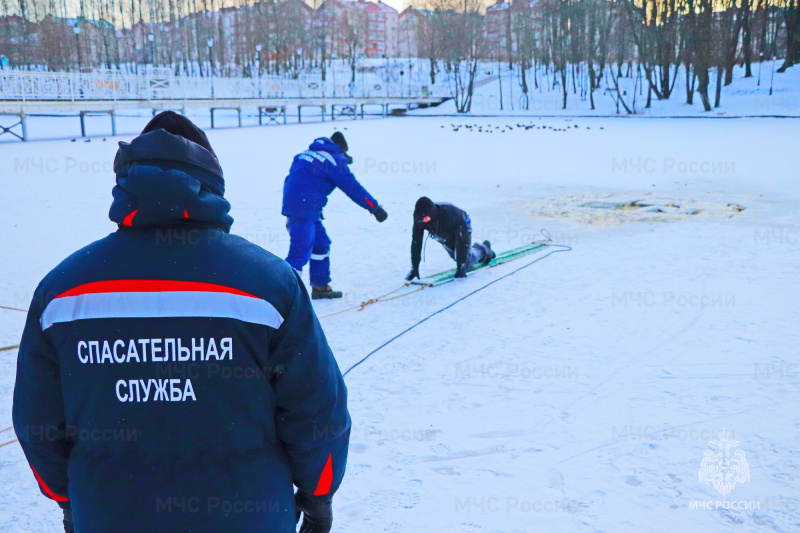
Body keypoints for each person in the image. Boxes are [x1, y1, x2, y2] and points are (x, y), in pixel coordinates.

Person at [12, 111, 350, 533]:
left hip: (110, 514)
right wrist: (318, 497)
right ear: (211, 184)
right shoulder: (269, 283)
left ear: (125, 184)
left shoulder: (61, 291)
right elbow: (317, 411)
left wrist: (70, 499)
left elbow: (35, 420)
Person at [282, 132, 387, 299]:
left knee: (321, 244)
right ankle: (284, 296)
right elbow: (353, 188)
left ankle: (320, 287)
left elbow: (300, 179)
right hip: (305, 208)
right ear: (341, 149)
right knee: (299, 253)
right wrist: (374, 208)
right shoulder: (333, 161)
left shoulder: (303, 155)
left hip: (301, 206)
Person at [405, 197, 496, 281]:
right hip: (441, 232)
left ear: (432, 214)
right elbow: (416, 240)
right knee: (456, 256)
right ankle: (475, 251)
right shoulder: (419, 217)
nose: (424, 221)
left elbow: (462, 241)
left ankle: (483, 249)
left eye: (426, 218)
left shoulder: (452, 215)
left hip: (461, 226)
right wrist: (415, 267)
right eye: (422, 219)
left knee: (466, 261)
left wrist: (461, 267)